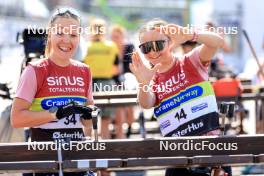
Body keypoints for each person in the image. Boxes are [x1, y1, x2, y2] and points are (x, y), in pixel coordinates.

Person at [129, 19, 231, 176]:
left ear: (170, 42)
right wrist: (143, 83)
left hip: (210, 152)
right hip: (178, 157)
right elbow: (146, 103)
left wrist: (190, 34)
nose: (153, 52)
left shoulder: (190, 61)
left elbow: (217, 42)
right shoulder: (151, 78)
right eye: (146, 48)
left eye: (158, 45)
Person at [11, 7, 97, 176]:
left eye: (73, 35)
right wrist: (56, 114)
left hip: (76, 160)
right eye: (60, 33)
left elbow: (88, 126)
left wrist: (90, 115)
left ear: (79, 38)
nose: (66, 40)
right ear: (50, 35)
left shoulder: (84, 70)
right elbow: (16, 119)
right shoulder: (34, 70)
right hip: (44, 161)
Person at [83, 18, 119, 140]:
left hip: (89, 84)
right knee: (105, 121)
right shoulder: (111, 46)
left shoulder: (86, 46)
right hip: (107, 84)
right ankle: (106, 149)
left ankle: (87, 147)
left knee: (87, 119)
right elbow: (116, 67)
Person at [110, 24, 135, 138]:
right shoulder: (110, 48)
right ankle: (118, 125)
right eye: (113, 36)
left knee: (128, 96)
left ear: (122, 36)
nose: (115, 39)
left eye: (117, 36)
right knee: (117, 102)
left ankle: (129, 124)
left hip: (128, 76)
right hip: (114, 79)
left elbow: (132, 64)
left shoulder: (129, 47)